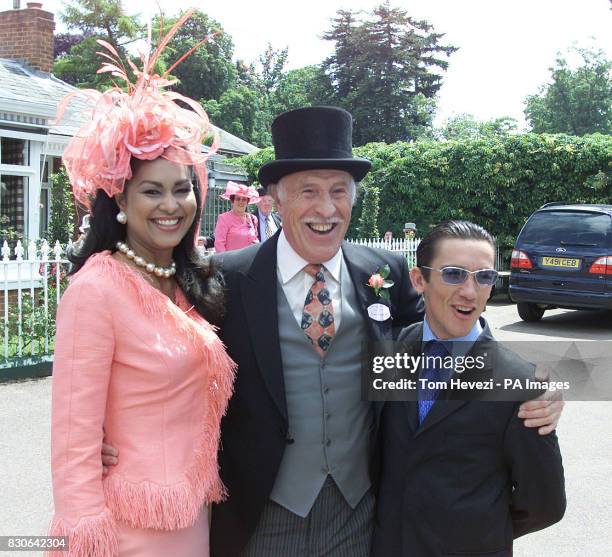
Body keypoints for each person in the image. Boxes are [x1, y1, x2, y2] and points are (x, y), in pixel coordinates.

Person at [103, 107, 564, 556]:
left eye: (339, 191)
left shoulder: (384, 271)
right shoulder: (224, 278)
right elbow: (167, 364)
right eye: (307, 191)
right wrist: (121, 432)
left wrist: (529, 384)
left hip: (359, 515)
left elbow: (446, 329)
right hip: (261, 515)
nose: (326, 208)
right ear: (275, 198)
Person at [46, 11, 235, 557]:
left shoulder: (185, 281)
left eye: (183, 189)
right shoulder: (96, 289)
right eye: (153, 191)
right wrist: (86, 532)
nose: (172, 205)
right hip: (122, 529)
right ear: (121, 203)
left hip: (189, 518)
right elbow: (74, 439)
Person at [372, 220, 566, 557]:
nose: (469, 291)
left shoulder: (521, 385)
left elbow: (545, 503)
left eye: (484, 277)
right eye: (453, 274)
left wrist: (479, 530)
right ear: (420, 280)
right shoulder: (390, 354)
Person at [213, 181, 260, 252]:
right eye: (238, 199)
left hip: (249, 260)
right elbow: (219, 245)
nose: (241, 202)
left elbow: (255, 239)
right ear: (232, 201)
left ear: (247, 202)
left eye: (244, 199)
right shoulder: (224, 218)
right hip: (231, 261)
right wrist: (226, 262)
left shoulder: (253, 219)